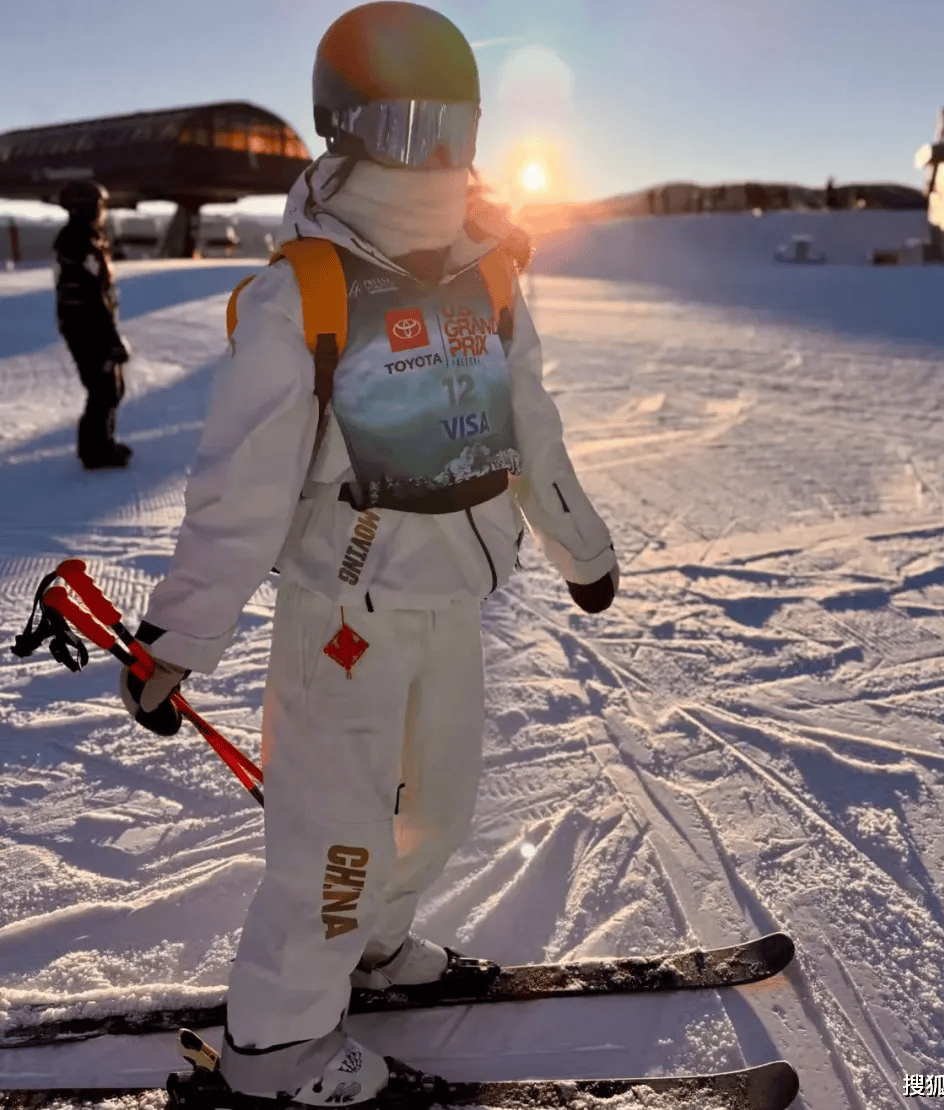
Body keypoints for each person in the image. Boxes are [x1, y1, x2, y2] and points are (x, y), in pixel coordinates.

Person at [118, 3, 619, 1105]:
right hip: (339, 615)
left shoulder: (491, 271)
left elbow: (530, 425)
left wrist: (579, 545)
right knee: (330, 839)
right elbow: (241, 486)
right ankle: (280, 1052)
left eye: (447, 123)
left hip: (453, 596)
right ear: (344, 127)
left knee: (433, 809)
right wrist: (181, 634)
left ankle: (378, 953)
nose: (429, 148)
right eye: (405, 123)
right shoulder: (306, 285)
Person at [53, 180, 132, 470]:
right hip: (86, 327)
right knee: (103, 388)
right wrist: (112, 340)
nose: (104, 212)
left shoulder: (86, 238)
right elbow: (91, 296)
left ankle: (102, 444)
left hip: (87, 324)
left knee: (109, 386)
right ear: (87, 209)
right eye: (100, 206)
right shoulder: (79, 242)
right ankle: (96, 453)